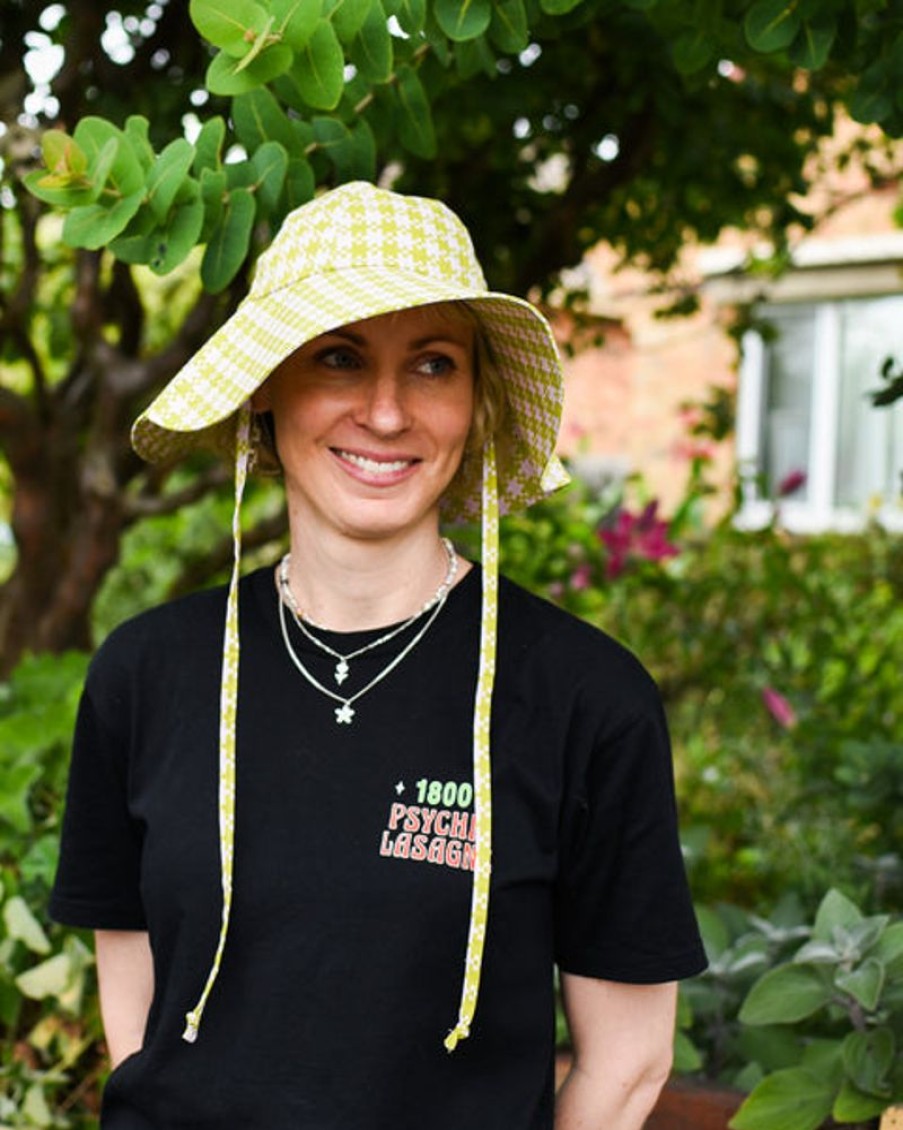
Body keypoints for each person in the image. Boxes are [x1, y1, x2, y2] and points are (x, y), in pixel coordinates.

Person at [50, 181, 707, 1130]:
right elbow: (138, 1009)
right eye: (339, 357)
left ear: (476, 402)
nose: (388, 413)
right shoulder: (146, 674)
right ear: (269, 388)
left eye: (433, 364)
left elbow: (631, 1061)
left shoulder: (583, 698)